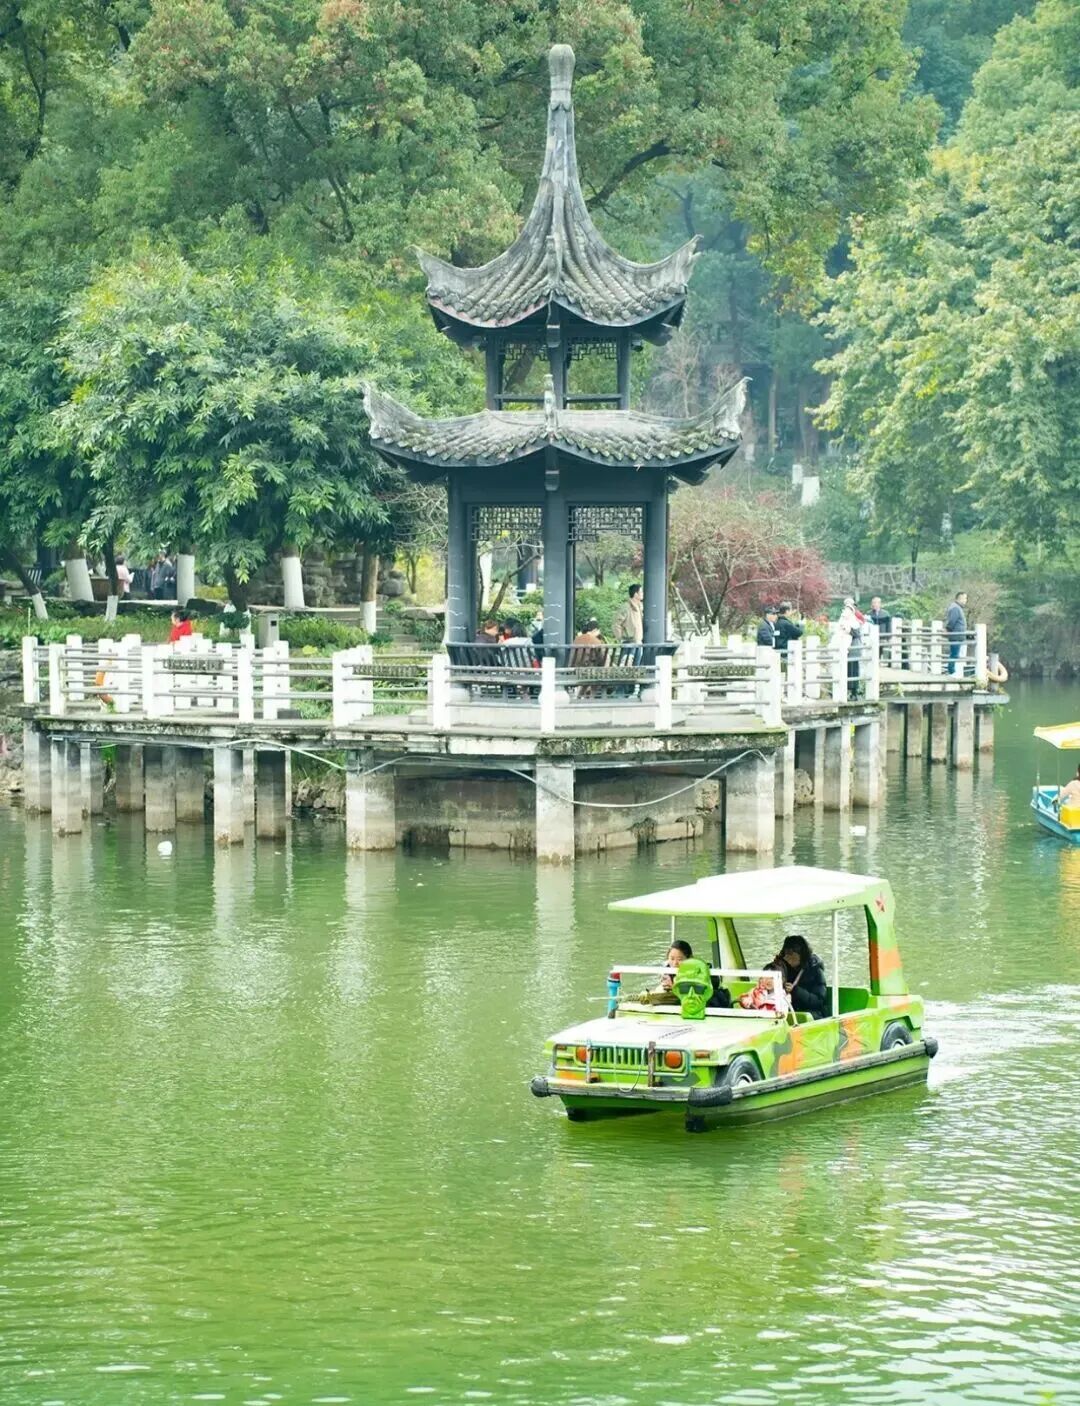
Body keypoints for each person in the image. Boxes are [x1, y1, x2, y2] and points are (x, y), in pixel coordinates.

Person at [766, 935, 828, 1018]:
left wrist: (796, 990)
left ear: (801, 954)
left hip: (813, 1013)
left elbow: (818, 1001)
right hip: (790, 1010)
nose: (787, 957)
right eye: (786, 953)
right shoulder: (783, 967)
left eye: (791, 954)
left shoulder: (815, 970)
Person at [837, 596, 865, 700]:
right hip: (844, 648)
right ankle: (845, 691)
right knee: (845, 670)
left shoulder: (855, 620)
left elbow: (857, 632)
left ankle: (854, 692)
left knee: (853, 670)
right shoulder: (842, 619)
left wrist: (848, 630)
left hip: (853, 648)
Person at [612, 583, 644, 663]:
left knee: (637, 666)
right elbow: (616, 624)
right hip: (628, 642)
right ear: (636, 594)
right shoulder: (626, 607)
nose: (643, 593)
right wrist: (621, 638)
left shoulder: (640, 607)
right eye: (641, 592)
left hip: (638, 642)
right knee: (626, 666)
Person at [946, 591, 968, 675]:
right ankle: (952, 671)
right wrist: (948, 629)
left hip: (958, 635)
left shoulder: (957, 608)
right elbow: (952, 621)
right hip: (956, 635)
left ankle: (953, 671)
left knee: (955, 654)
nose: (966, 600)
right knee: (954, 654)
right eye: (965, 598)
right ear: (959, 598)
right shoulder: (955, 608)